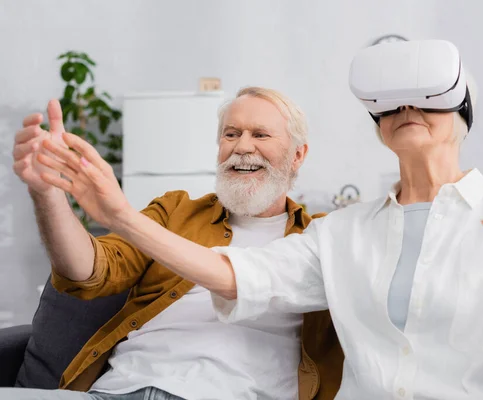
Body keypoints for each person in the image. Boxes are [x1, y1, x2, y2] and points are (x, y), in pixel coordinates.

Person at [13, 41, 483, 399]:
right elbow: (234, 275)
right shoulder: (340, 235)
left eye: (426, 98)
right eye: (391, 102)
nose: (407, 110)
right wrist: (110, 211)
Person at [5, 87, 343, 399]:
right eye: (231, 134)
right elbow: (91, 271)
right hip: (116, 391)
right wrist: (47, 192)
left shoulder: (320, 240)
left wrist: (120, 214)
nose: (242, 147)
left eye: (260, 134)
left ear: (297, 155)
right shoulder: (175, 210)